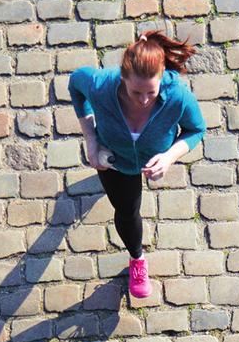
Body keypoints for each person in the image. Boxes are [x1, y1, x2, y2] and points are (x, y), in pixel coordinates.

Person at [68, 30, 206, 298]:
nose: (143, 100)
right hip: (116, 163)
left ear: (162, 76)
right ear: (123, 79)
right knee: (128, 210)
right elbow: (75, 85)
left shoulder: (178, 95)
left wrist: (169, 156)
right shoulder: (100, 85)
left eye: (151, 93)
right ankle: (137, 258)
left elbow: (196, 130)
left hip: (150, 158)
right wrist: (91, 141)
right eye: (135, 92)